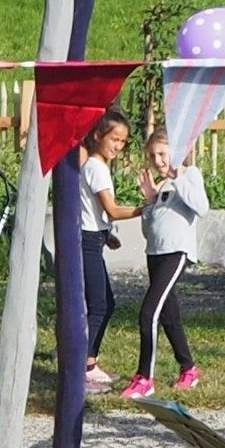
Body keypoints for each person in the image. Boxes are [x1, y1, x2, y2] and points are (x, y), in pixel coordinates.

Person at [122, 127, 202, 400]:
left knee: (149, 314)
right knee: (169, 315)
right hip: (155, 253)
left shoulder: (189, 176)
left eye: (163, 154)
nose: (158, 161)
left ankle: (145, 378)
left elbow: (201, 206)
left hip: (175, 253)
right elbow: (151, 227)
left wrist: (177, 176)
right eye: (153, 155)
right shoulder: (163, 186)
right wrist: (150, 201)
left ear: (178, 152)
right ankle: (189, 368)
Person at [71, 116, 134, 394]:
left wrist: (107, 235)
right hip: (87, 243)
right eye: (114, 139)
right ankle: (83, 368)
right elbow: (111, 209)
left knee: (104, 303)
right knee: (99, 305)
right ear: (98, 135)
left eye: (122, 141)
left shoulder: (94, 166)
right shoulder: (97, 168)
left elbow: (93, 213)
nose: (118, 146)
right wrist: (149, 207)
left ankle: (89, 362)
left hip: (94, 239)